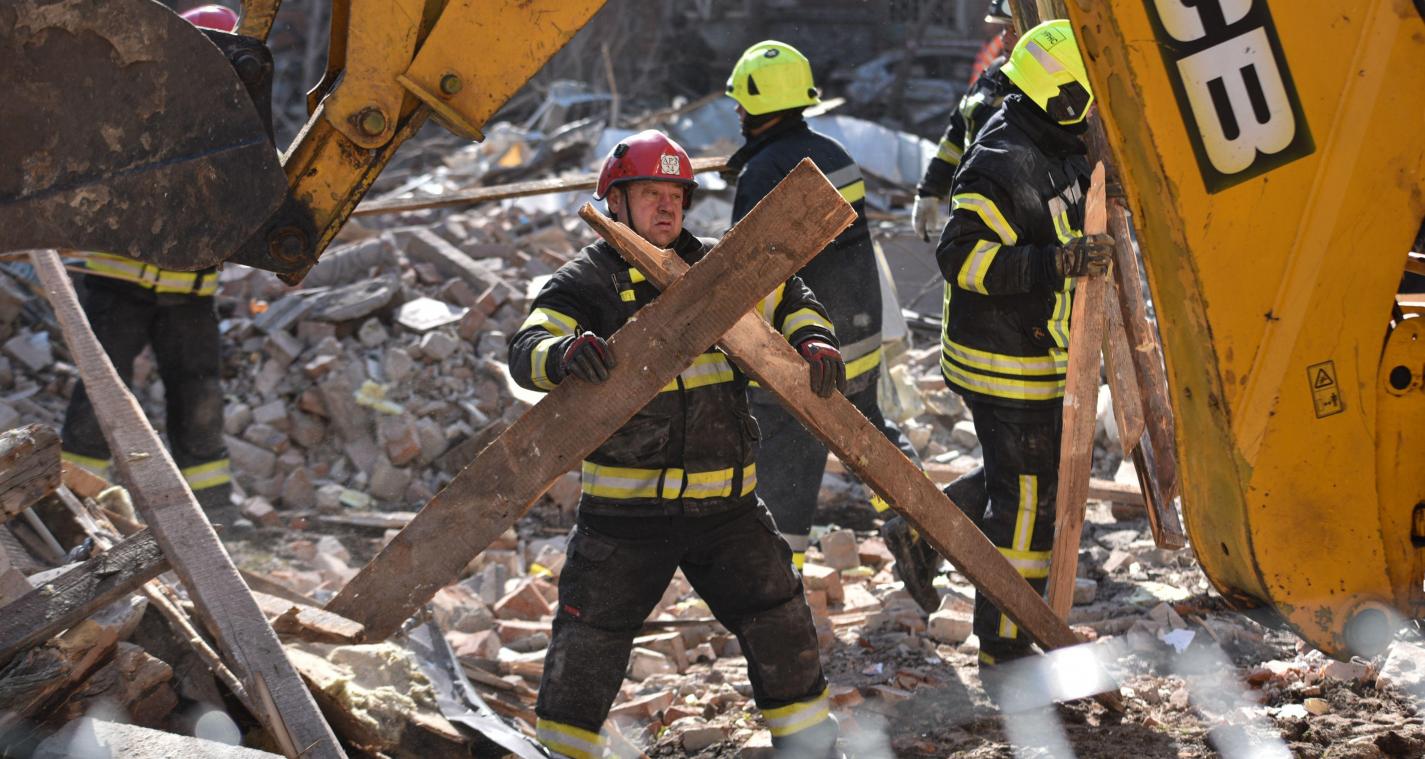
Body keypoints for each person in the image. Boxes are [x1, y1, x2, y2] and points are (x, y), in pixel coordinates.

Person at [509, 130, 843, 759]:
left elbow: (793, 298)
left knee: (779, 618)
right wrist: (563, 355)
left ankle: (811, 749)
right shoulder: (588, 282)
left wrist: (813, 340)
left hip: (728, 510)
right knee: (590, 642)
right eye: (650, 194)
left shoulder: (721, 267)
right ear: (616, 201)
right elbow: (525, 352)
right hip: (625, 518)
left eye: (676, 195)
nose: (667, 207)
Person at [932, 20, 1113, 684]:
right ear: (1061, 93)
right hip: (1003, 361)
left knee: (1018, 480)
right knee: (1028, 500)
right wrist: (1056, 261)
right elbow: (960, 257)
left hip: (1036, 351)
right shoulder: (1003, 159)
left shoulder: (1055, 140)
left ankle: (931, 528)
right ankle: (1004, 644)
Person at [724, 40, 924, 573]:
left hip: (805, 350)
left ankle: (778, 574)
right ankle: (919, 522)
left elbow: (751, 276)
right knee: (871, 431)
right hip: (858, 336)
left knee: (787, 460)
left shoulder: (762, 173)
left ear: (758, 104)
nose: (738, 112)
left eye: (741, 103)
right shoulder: (835, 156)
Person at [60, 4, 239, 525]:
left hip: (189, 290)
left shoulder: (234, 119)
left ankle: (212, 510)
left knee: (199, 390)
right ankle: (76, 499)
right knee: (101, 390)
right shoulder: (135, 103)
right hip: (119, 281)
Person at [911, 0, 1020, 242]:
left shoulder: (1043, 88)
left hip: (1016, 223)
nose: (1005, 39)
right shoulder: (992, 76)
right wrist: (930, 189)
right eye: (1004, 30)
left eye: (1013, 30)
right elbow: (956, 136)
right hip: (971, 212)